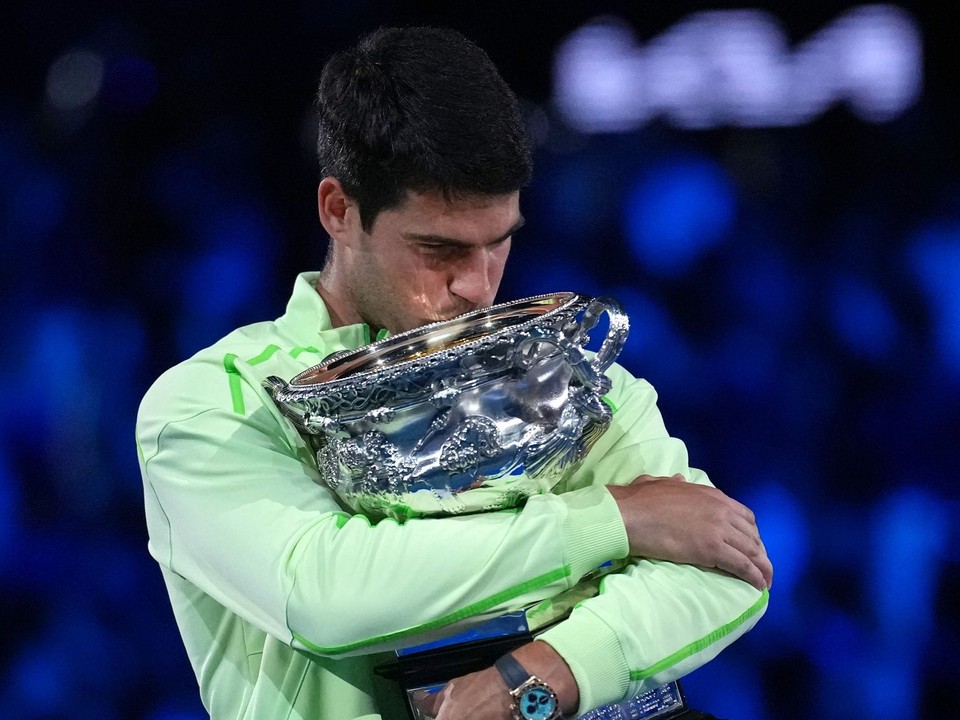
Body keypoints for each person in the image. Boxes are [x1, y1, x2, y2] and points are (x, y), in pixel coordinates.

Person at [136, 26, 773, 720]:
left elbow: (723, 561)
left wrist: (541, 675)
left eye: (497, 244)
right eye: (437, 248)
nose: (475, 285)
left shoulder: (569, 374)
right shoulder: (211, 404)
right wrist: (610, 521)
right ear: (339, 210)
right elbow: (325, 594)